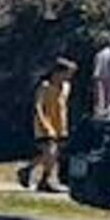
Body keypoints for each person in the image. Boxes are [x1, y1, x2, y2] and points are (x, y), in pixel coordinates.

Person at [22, 56, 74, 194]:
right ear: (57, 72)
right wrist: (43, 123)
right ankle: (44, 180)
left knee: (52, 153)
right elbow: (38, 106)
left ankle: (29, 170)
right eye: (66, 73)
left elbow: (63, 106)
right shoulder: (45, 86)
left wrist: (64, 125)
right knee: (51, 151)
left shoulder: (66, 87)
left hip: (59, 124)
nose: (68, 77)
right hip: (45, 122)